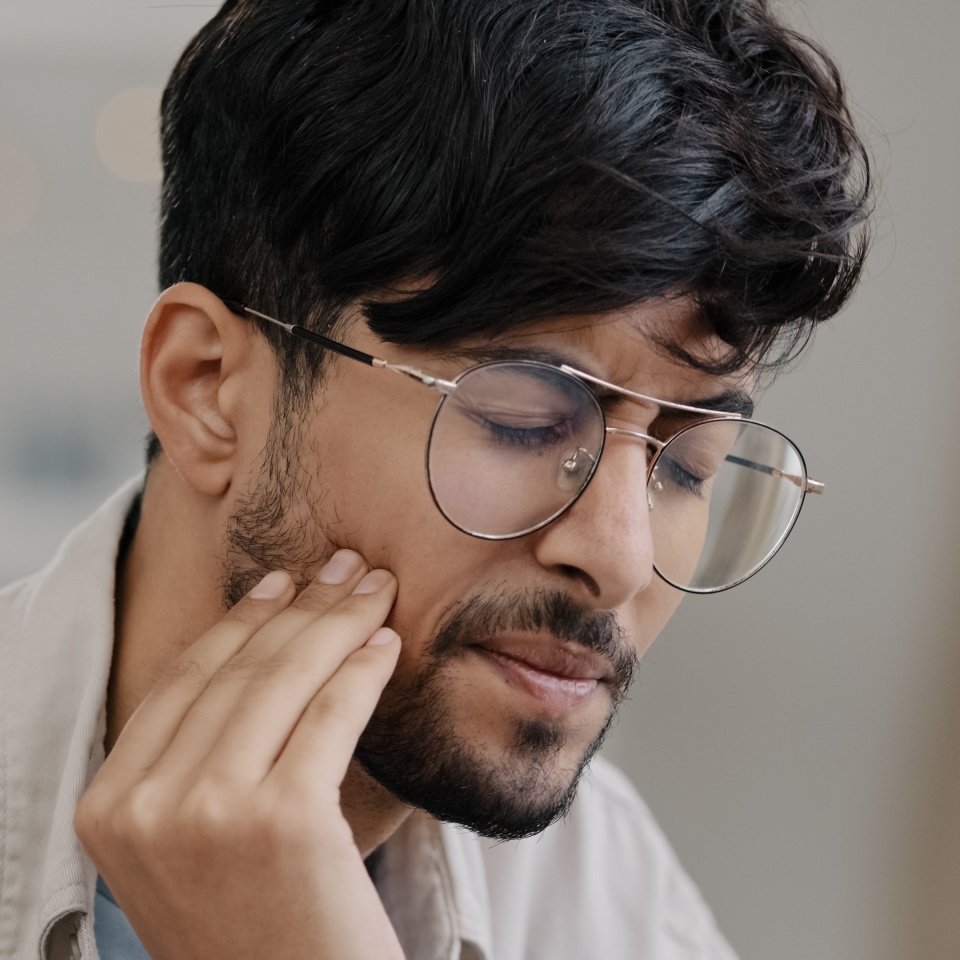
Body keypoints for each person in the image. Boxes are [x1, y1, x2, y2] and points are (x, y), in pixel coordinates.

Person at [0, 0, 871, 957]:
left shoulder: (609, 897)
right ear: (207, 388)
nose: (619, 558)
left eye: (689, 466)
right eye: (523, 422)